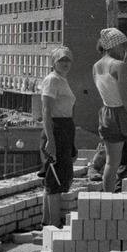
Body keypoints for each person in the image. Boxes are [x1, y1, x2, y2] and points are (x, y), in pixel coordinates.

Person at [93, 28, 127, 192]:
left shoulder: (96, 66)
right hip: (122, 114)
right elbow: (126, 99)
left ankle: (107, 200)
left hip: (106, 113)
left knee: (110, 163)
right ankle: (120, 194)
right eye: (122, 46)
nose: (124, 50)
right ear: (113, 45)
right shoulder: (119, 66)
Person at [40, 46, 77, 228]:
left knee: (54, 177)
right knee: (54, 178)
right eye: (62, 60)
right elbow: (46, 112)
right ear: (53, 62)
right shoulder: (52, 80)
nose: (65, 63)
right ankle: (54, 224)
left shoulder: (62, 80)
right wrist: (50, 140)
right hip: (55, 129)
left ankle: (47, 222)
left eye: (68, 60)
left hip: (65, 130)